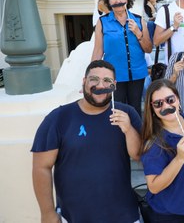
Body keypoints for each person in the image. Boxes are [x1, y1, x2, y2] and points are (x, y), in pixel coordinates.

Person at [31, 60, 142, 222]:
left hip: (123, 214)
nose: (100, 85)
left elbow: (139, 155)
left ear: (114, 85)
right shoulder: (59, 117)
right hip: (74, 216)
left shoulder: (127, 113)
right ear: (84, 82)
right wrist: (47, 213)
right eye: (94, 79)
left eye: (107, 81)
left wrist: (128, 129)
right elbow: (41, 167)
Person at [140, 79, 184, 222]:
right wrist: (179, 159)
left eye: (170, 99)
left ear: (178, 99)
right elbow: (154, 187)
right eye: (158, 103)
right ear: (152, 109)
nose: (166, 106)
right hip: (169, 212)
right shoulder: (154, 140)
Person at [92, 0, 152, 116]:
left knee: (135, 110)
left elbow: (148, 48)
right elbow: (98, 51)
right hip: (114, 77)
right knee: (117, 110)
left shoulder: (138, 20)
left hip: (137, 75)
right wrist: (91, 77)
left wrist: (138, 32)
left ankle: (136, 136)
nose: (117, 1)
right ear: (108, 1)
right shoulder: (102, 22)